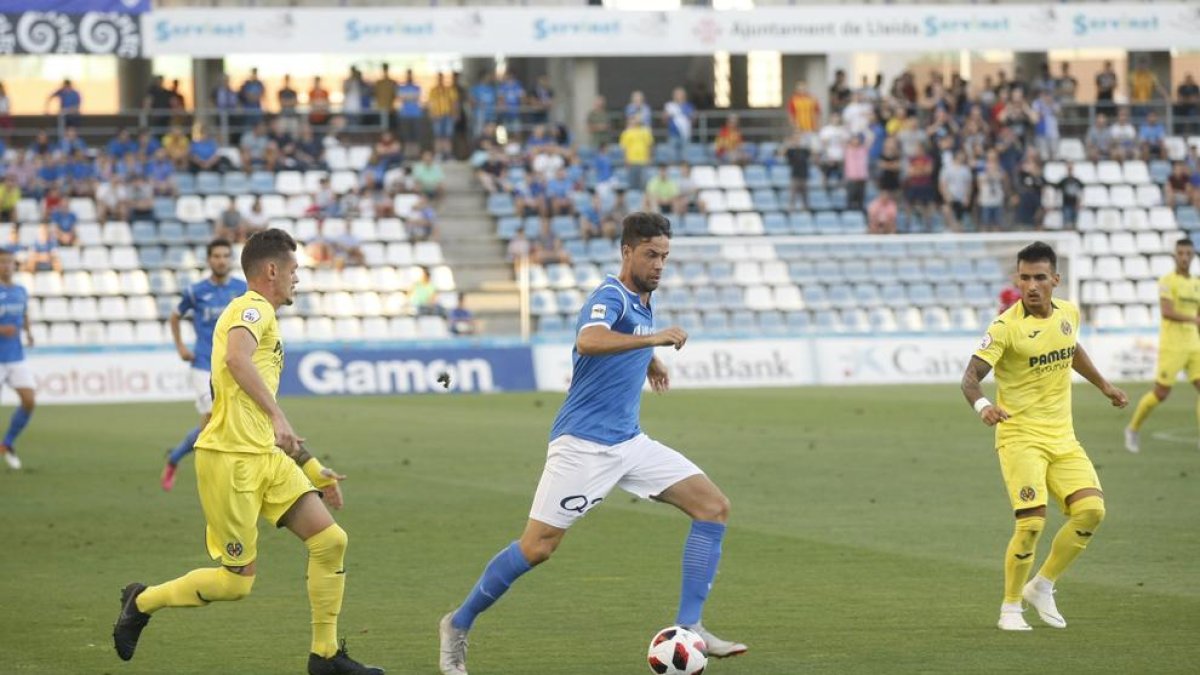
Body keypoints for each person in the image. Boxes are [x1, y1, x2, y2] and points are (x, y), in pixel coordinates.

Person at [437, 212, 746, 675]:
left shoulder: (642, 300)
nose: (659, 264)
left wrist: (650, 359)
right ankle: (458, 624)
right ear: (626, 252)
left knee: (713, 507)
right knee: (537, 547)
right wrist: (654, 338)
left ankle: (691, 626)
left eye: (664, 256)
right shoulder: (609, 295)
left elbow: (626, 340)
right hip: (583, 445)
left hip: (630, 442)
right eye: (650, 255)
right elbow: (590, 340)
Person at [112, 229, 384, 675]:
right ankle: (140, 602)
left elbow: (260, 407)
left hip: (264, 457)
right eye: (294, 270)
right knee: (235, 585)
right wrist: (279, 418)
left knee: (330, 540)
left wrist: (311, 465)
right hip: (230, 459)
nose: (297, 280)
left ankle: (326, 656)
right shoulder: (252, 308)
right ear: (272, 270)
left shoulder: (262, 315)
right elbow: (238, 360)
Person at [961, 241, 1128, 632]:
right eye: (1024, 278)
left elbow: (1070, 348)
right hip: (1020, 438)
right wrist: (984, 407)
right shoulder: (1005, 327)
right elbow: (970, 379)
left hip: (1063, 438)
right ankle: (1010, 608)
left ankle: (1044, 584)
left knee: (1092, 511)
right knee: (1032, 523)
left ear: (1055, 279)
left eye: (1039, 277)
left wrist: (1104, 385)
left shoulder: (1068, 312)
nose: (1032, 285)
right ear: (1016, 279)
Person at [161, 239, 249, 492]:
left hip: (233, 365)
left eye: (225, 255)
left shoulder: (243, 289)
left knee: (224, 422)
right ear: (209, 260)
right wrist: (180, 346)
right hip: (203, 364)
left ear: (230, 259)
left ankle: (175, 458)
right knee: (212, 417)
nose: (221, 260)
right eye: (216, 256)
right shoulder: (195, 291)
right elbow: (175, 316)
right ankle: (213, 476)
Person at [1124, 239, 1200, 453]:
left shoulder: (1197, 283)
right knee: (1161, 393)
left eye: (1188, 253)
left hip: (1194, 344)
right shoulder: (1167, 281)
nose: (1184, 257)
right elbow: (1167, 311)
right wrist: (1193, 321)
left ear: (1193, 256)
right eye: (1181, 253)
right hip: (1172, 345)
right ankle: (1132, 428)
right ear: (1174, 256)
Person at [0, 248, 34, 470]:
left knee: (29, 401)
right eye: (3, 262)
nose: (6, 266)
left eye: (9, 262)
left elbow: (24, 314)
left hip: (15, 356)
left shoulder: (21, 290)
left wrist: (29, 332)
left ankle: (7, 444)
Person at [428, 73, 459, 160]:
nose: (440, 80)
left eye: (441, 78)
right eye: (438, 78)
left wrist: (455, 114)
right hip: (437, 116)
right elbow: (431, 103)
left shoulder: (449, 89)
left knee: (448, 136)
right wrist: (431, 114)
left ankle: (448, 154)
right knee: (438, 136)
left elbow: (454, 103)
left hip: (448, 116)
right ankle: (438, 154)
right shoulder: (433, 90)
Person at [619, 116, 653, 191]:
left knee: (643, 184)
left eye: (637, 118)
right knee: (632, 184)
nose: (636, 120)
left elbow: (649, 146)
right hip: (631, 161)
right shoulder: (626, 132)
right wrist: (626, 159)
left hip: (643, 161)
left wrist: (649, 158)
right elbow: (624, 148)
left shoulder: (646, 131)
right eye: (633, 119)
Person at [396, 69, 423, 157]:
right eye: (408, 75)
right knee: (407, 136)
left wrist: (407, 96)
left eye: (410, 75)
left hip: (416, 114)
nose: (409, 77)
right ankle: (408, 154)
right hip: (405, 115)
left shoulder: (417, 87)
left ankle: (415, 154)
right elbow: (401, 97)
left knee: (416, 135)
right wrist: (410, 96)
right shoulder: (402, 87)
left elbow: (416, 97)